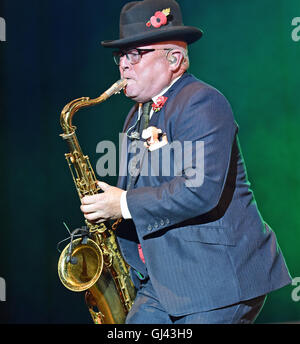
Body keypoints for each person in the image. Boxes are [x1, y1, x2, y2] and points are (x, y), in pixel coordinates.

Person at [80, 0, 291, 324]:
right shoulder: (135, 115)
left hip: (215, 279)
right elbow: (141, 191)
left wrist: (122, 203)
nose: (124, 64)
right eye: (120, 55)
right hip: (163, 282)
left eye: (135, 53)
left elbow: (199, 190)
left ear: (175, 58)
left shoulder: (201, 102)